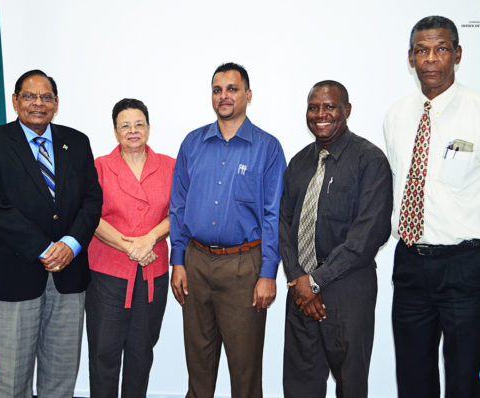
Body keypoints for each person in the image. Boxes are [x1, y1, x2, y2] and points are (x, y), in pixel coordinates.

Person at [384, 15, 480, 398]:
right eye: (422, 51)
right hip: (410, 264)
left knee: (466, 383)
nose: (431, 59)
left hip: (465, 267)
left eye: (441, 49)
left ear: (457, 54)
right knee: (413, 382)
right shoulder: (396, 116)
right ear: (410, 58)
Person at [0, 69, 102, 398]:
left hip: (68, 278)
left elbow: (92, 200)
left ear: (56, 104)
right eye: (29, 96)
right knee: (11, 381)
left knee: (60, 379)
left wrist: (70, 245)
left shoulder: (77, 141)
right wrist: (45, 249)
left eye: (46, 97)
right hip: (11, 277)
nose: (38, 103)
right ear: (15, 101)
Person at [169, 62, 287, 398]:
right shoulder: (192, 143)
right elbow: (178, 205)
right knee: (199, 367)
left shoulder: (268, 148)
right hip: (195, 264)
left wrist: (267, 272)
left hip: (243, 269)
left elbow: (273, 215)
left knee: (244, 370)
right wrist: (177, 259)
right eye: (218, 89)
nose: (224, 96)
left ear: (248, 95)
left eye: (232, 89)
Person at [279, 81, 393, 398]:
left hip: (347, 290)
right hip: (300, 292)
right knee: (300, 385)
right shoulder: (299, 163)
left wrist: (316, 280)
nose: (320, 114)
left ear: (347, 110)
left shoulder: (370, 161)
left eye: (329, 106)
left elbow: (369, 234)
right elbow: (282, 224)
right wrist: (298, 278)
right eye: (313, 107)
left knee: (350, 385)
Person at [86, 98, 175, 397]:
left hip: (153, 273)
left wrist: (149, 240)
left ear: (149, 128)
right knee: (103, 353)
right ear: (115, 131)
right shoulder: (99, 167)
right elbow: (89, 216)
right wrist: (131, 246)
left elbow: (180, 211)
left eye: (139, 124)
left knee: (141, 352)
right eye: (125, 125)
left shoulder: (170, 166)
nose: (133, 130)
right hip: (107, 274)